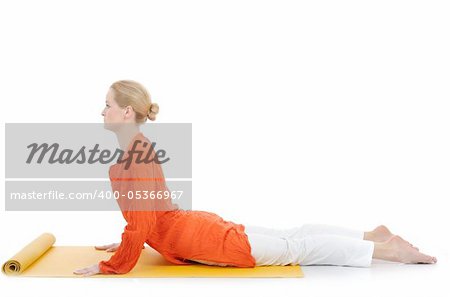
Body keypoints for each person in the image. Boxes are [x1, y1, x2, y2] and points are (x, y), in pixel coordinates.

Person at [73, 80, 437, 277]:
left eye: (106, 103)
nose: (101, 110)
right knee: (289, 236)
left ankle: (387, 250)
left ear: (125, 111)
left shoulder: (134, 155)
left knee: (297, 248)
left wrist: (115, 263)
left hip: (204, 239)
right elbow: (150, 212)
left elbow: (143, 217)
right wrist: (129, 238)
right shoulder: (139, 148)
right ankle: (371, 236)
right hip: (196, 228)